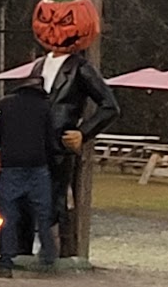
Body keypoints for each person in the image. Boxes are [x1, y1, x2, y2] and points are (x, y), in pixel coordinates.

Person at [27, 35, 119, 257]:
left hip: (59, 144)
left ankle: (54, 250)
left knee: (55, 197)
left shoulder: (81, 68)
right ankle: (24, 248)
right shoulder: (39, 65)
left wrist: (83, 132)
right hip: (33, 141)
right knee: (25, 195)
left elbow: (110, 106)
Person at [0, 75, 57, 278]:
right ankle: (48, 256)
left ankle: (6, 262)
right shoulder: (45, 107)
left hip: (11, 165)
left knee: (8, 216)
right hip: (38, 166)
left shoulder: (4, 104)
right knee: (43, 214)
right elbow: (51, 139)